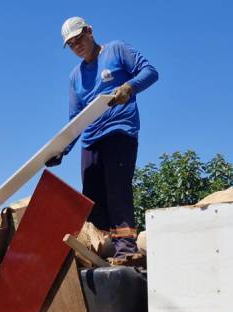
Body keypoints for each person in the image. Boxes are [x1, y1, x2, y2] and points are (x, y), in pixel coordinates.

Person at [47, 16, 158, 259]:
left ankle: (126, 248)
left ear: (90, 31)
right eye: (72, 44)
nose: (77, 46)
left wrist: (130, 87)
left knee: (117, 189)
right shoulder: (75, 76)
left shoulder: (117, 50)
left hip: (119, 130)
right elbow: (76, 118)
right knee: (92, 199)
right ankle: (105, 245)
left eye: (79, 39)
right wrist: (62, 149)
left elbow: (150, 72)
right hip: (90, 139)